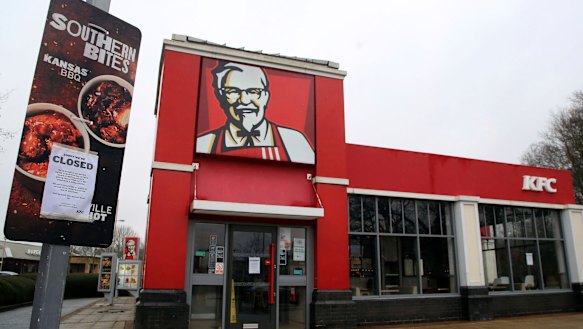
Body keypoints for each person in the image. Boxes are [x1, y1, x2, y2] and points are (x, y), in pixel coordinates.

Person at [196, 61, 315, 164]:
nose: (244, 100)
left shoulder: (293, 141)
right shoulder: (205, 143)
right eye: (233, 91)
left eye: (253, 91)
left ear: (266, 96)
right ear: (221, 97)